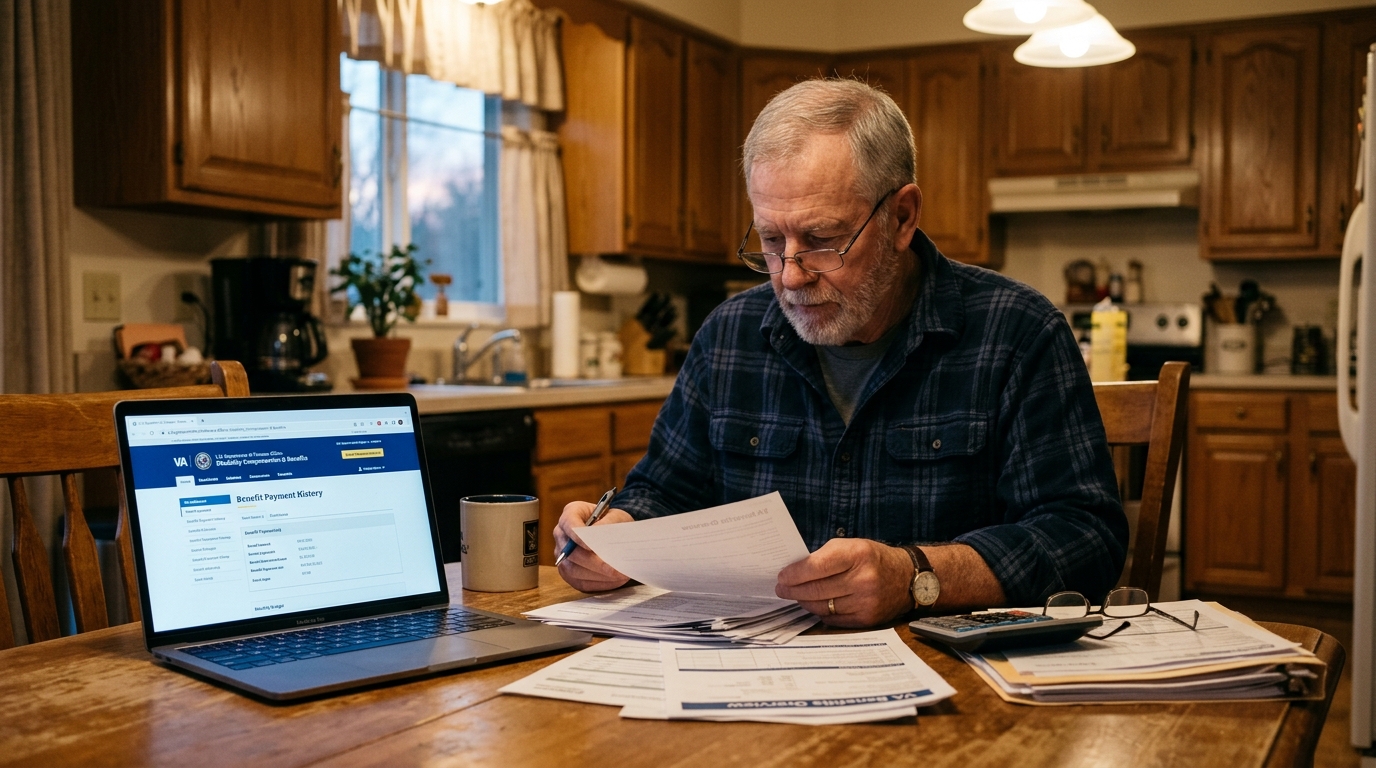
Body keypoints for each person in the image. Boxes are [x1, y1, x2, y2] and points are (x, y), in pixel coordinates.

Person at [554, 78, 1128, 628]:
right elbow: (666, 490)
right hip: (746, 677)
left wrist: (916, 577)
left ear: (902, 217)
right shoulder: (730, 335)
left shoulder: (1018, 333)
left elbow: (1085, 537)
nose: (791, 276)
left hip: (955, 681)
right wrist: (616, 534)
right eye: (772, 241)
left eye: (824, 240)